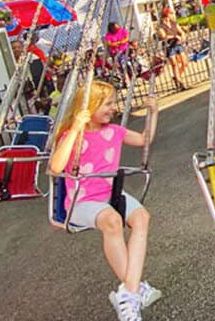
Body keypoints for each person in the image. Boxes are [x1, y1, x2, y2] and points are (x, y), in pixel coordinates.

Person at [49, 80, 161, 321]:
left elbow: (144, 140)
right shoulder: (71, 136)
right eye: (107, 104)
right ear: (89, 107)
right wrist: (77, 128)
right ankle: (133, 292)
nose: (113, 108)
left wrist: (154, 112)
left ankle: (128, 292)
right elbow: (56, 167)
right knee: (112, 220)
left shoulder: (114, 131)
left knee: (141, 217)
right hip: (81, 202)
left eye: (113, 102)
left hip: (109, 195)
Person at [157, 7, 189, 90]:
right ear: (166, 15)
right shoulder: (161, 26)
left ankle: (176, 77)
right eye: (171, 13)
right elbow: (163, 36)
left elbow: (181, 31)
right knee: (174, 64)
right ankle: (180, 82)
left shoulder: (174, 23)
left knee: (184, 62)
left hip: (177, 44)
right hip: (169, 46)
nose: (172, 15)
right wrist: (175, 36)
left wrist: (182, 36)